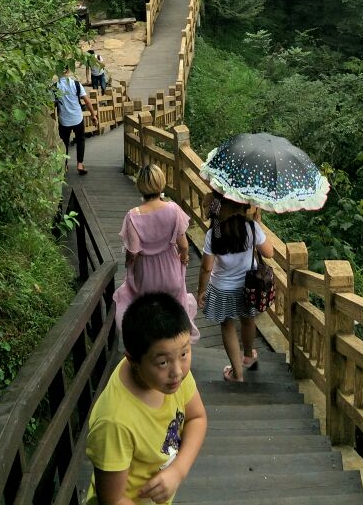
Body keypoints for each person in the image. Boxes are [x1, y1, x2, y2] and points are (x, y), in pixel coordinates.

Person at [86, 292, 207, 505]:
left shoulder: (172, 377)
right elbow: (113, 500)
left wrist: (178, 471)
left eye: (184, 353)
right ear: (133, 361)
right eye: (163, 362)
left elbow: (196, 418)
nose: (177, 371)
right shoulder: (115, 422)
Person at [113, 165, 199, 342]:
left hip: (147, 277)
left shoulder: (133, 216)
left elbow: (133, 252)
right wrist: (184, 258)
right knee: (173, 310)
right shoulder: (174, 209)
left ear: (140, 185)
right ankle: (176, 344)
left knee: (149, 313)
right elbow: (183, 245)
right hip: (171, 272)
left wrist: (128, 264)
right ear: (161, 183)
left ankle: (153, 347)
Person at [196, 190, 274, 382]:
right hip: (248, 286)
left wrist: (201, 291)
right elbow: (269, 253)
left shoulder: (213, 233)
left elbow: (207, 268)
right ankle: (248, 356)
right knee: (248, 320)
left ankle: (237, 375)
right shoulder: (251, 226)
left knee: (228, 325)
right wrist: (258, 225)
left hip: (222, 288)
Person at [53, 66, 97, 176]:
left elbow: (51, 105)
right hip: (77, 118)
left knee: (64, 142)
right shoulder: (75, 84)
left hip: (64, 120)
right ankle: (80, 164)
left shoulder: (55, 87)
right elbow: (87, 101)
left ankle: (65, 165)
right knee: (80, 140)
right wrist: (93, 115)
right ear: (68, 71)